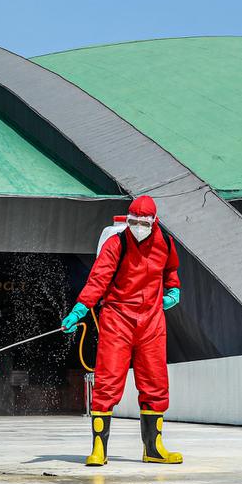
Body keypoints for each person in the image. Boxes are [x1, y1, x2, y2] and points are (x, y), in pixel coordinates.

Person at [60, 194, 183, 466]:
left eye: (143, 222)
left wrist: (173, 292)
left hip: (151, 321)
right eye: (133, 221)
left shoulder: (165, 243)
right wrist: (80, 309)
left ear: (154, 221)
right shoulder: (116, 244)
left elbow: (171, 271)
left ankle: (153, 448)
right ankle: (98, 449)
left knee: (155, 383)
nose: (138, 226)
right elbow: (98, 280)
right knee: (107, 381)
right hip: (117, 319)